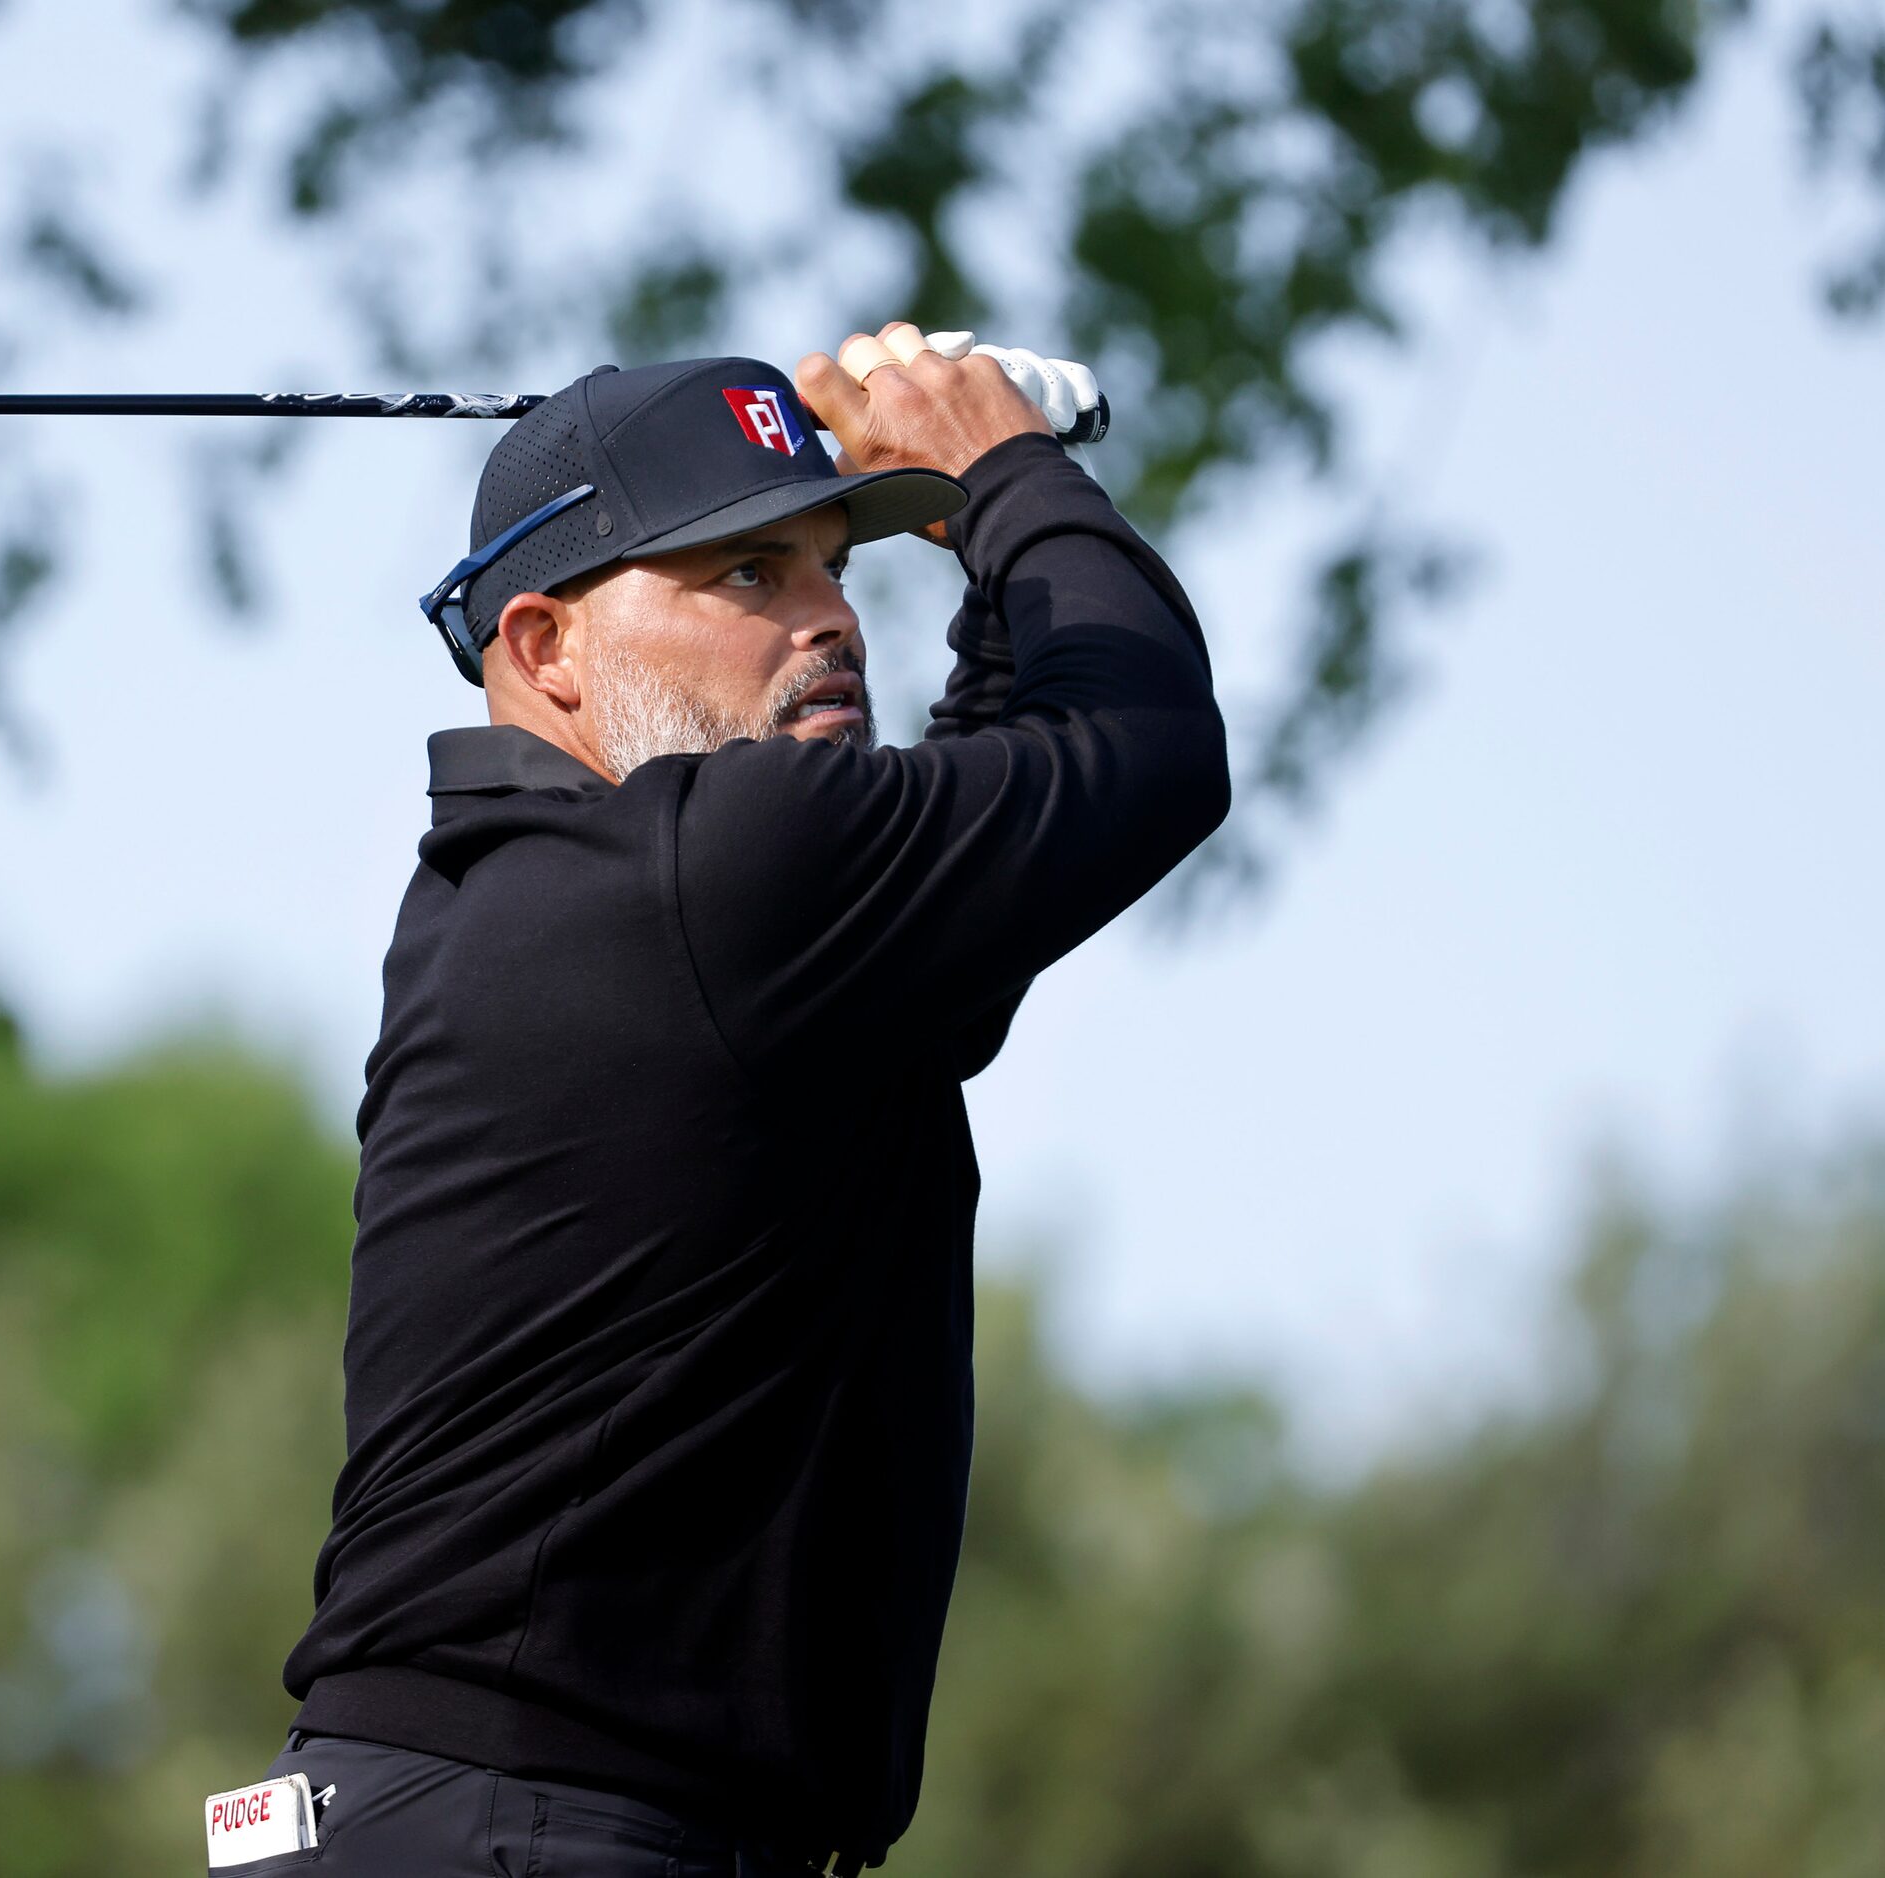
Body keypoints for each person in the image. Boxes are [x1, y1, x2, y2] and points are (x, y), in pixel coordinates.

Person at [236, 325, 1230, 1875]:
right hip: (523, 1828)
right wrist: (1001, 471)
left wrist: (984, 533)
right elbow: (1145, 747)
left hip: (464, 1822)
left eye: (835, 563)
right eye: (747, 575)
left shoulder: (612, 896)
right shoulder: (716, 878)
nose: (831, 618)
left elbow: (994, 814)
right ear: (546, 646)